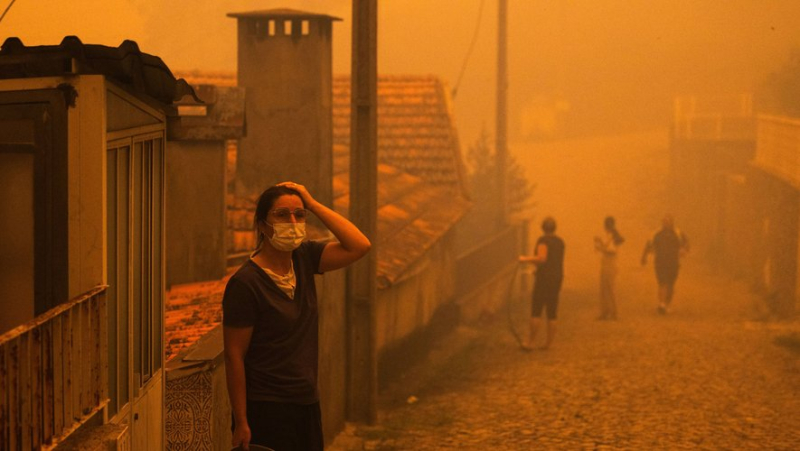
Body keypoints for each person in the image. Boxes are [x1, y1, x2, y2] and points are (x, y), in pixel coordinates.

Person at [223, 182, 371, 451]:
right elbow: (234, 356)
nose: (292, 222)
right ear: (262, 225)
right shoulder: (246, 284)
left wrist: (313, 204)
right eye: (281, 215)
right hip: (266, 407)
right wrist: (241, 420)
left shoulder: (304, 259)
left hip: (305, 401)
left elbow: (359, 245)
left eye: (299, 215)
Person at [518, 216, 565, 351]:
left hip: (544, 279)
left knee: (536, 310)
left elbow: (542, 258)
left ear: (542, 228)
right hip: (557, 278)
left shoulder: (543, 241)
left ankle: (530, 342)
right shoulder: (560, 242)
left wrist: (525, 259)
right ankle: (548, 344)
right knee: (552, 311)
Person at [641, 214, 689, 315]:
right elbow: (648, 244)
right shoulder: (656, 233)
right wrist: (644, 257)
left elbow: (686, 243)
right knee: (662, 283)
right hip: (660, 262)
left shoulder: (678, 233)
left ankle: (667, 304)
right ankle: (661, 304)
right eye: (664, 221)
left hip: (673, 262)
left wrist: (684, 250)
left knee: (671, 284)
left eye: (668, 221)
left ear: (672, 222)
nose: (666, 223)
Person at [594, 216, 624, 320]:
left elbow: (611, 251)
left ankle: (613, 312)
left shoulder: (613, 237)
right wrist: (600, 244)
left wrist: (600, 247)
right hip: (606, 263)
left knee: (610, 288)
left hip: (610, 264)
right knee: (604, 288)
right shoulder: (611, 236)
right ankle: (605, 311)